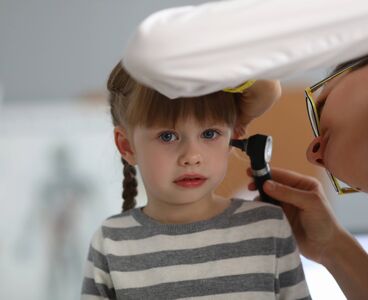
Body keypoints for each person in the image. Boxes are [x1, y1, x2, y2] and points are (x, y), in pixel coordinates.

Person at [120, 0, 368, 299]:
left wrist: (254, 97)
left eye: (318, 107)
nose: (312, 153)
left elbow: (157, 49)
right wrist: (332, 248)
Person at [81, 62, 310, 299]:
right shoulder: (111, 241)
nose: (192, 157)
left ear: (234, 135)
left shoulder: (268, 226)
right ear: (127, 146)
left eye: (209, 134)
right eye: (167, 136)